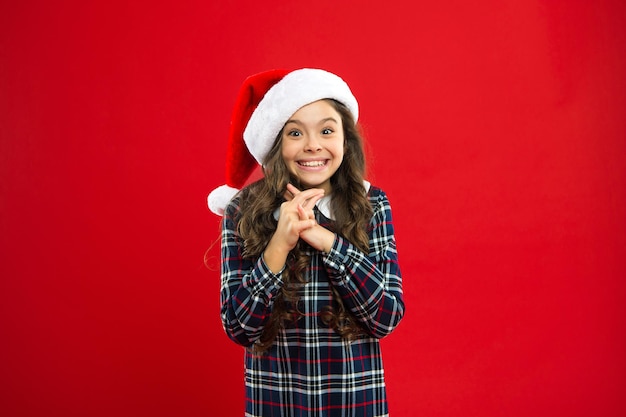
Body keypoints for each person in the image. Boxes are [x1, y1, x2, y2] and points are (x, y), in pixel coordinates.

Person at [208, 68, 405, 417]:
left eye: (326, 130)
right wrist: (278, 246)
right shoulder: (242, 210)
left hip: (356, 406)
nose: (313, 144)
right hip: (276, 406)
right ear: (274, 143)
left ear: (345, 139)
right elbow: (239, 327)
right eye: (295, 132)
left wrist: (326, 239)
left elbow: (386, 317)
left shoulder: (372, 205)